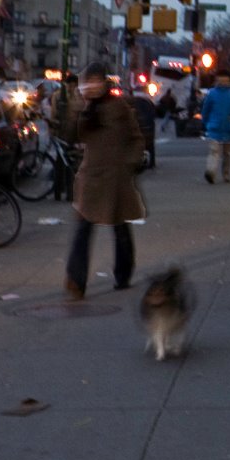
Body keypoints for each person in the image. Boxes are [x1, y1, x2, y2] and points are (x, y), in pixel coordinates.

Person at [65, 62, 145, 300]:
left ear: (105, 83)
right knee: (83, 230)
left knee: (120, 229)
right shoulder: (84, 107)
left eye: (98, 81)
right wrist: (78, 107)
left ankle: (123, 275)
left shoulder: (119, 106)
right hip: (92, 177)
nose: (94, 86)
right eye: (89, 81)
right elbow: (70, 135)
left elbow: (136, 138)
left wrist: (129, 163)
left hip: (117, 178)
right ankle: (76, 281)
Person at [199, 73, 230, 183]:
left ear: (229, 82)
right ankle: (211, 171)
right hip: (215, 127)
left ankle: (226, 173)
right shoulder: (212, 94)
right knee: (214, 151)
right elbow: (206, 110)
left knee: (227, 154)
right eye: (220, 81)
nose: (222, 83)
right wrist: (204, 122)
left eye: (225, 81)